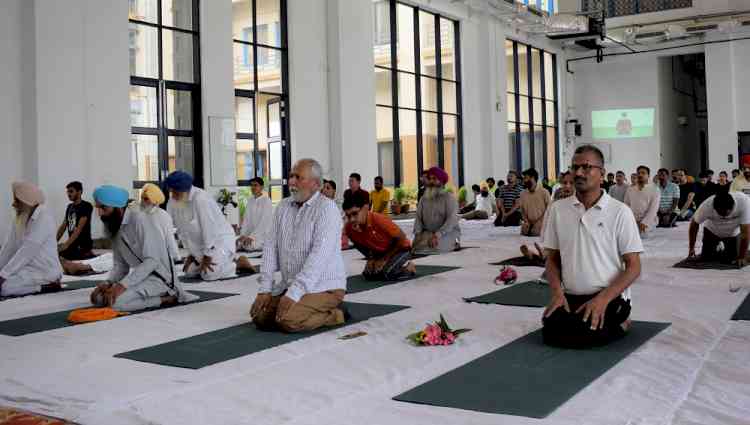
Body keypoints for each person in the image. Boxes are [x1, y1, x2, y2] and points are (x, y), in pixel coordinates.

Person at [542, 144, 642, 349]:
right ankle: (585, 320)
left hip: (609, 296)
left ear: (602, 174)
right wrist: (557, 294)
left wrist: (603, 299)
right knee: (550, 333)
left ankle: (623, 322)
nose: (579, 172)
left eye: (586, 167)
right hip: (571, 297)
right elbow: (552, 258)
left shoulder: (619, 212)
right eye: (574, 167)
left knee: (589, 337)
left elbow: (634, 266)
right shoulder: (558, 210)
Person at [250, 159, 347, 333]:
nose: (292, 182)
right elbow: (270, 247)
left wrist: (293, 294)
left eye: (298, 177)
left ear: (316, 184)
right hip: (291, 284)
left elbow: (318, 258)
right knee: (260, 316)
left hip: (324, 287)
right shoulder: (283, 207)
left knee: (287, 321)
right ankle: (304, 307)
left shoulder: (327, 209)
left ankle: (334, 314)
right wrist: (265, 288)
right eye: (291, 176)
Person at [88, 185, 196, 311]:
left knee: (117, 303)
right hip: (140, 277)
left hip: (161, 278)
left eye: (103, 208)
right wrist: (108, 283)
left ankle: (166, 298)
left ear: (118, 208)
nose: (99, 213)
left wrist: (123, 286)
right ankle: (140, 295)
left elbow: (152, 260)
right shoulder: (112, 225)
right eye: (98, 207)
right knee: (99, 299)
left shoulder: (140, 219)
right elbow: (121, 266)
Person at [165, 171, 238, 281]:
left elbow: (209, 229)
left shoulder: (201, 199)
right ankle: (220, 262)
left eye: (175, 192)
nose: (173, 195)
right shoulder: (173, 201)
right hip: (199, 247)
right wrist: (191, 254)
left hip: (219, 243)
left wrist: (208, 256)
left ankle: (236, 263)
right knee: (189, 272)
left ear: (186, 189)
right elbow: (179, 229)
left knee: (209, 274)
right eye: (171, 191)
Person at [0, 182, 63, 297]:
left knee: (4, 287)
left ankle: (44, 287)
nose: (13, 204)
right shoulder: (19, 217)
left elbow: (28, 250)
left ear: (27, 201)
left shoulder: (44, 217)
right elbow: (8, 247)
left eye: (17, 200)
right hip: (27, 269)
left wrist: (3, 275)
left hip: (45, 271)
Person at [344, 195, 416, 281]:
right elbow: (358, 244)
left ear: (365, 208)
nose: (352, 219)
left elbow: (401, 238)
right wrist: (371, 258)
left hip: (402, 249)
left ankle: (409, 268)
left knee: (387, 274)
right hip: (381, 252)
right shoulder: (349, 228)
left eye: (355, 213)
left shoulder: (378, 220)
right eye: (348, 216)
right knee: (369, 275)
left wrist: (384, 259)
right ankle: (386, 264)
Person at [688, 191, 750, 266]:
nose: (723, 217)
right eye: (720, 213)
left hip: (733, 233)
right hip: (712, 230)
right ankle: (717, 247)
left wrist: (742, 257)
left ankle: (724, 248)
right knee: (707, 258)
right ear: (714, 208)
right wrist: (691, 248)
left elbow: (745, 233)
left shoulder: (744, 202)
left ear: (733, 206)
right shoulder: (707, 205)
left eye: (725, 213)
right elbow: (694, 224)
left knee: (732, 258)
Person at [412, 166, 461, 254]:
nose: (431, 182)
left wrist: (437, 235)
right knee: (417, 249)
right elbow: (418, 218)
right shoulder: (424, 199)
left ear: (442, 182)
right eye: (430, 179)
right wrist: (417, 234)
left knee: (436, 248)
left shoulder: (449, 198)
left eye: (434, 179)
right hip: (428, 232)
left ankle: (455, 242)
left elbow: (451, 220)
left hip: (446, 233)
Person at [141, 183, 181, 261]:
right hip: (145, 257)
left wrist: (176, 256)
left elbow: (169, 237)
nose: (142, 202)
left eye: (146, 199)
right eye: (142, 198)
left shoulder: (163, 216)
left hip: (161, 257)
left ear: (154, 200)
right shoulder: (141, 215)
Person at [56, 181, 94, 261]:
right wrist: (53, 242)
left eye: (71, 191)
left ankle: (90, 256)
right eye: (67, 192)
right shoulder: (69, 207)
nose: (68, 194)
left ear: (79, 192)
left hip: (82, 247)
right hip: (72, 246)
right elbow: (63, 226)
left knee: (60, 258)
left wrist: (66, 244)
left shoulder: (86, 206)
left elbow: (78, 229)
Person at [237, 177, 273, 252]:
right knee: (237, 243)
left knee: (249, 246)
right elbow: (246, 220)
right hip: (249, 235)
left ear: (262, 187)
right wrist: (243, 235)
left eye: (255, 185)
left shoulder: (266, 201)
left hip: (262, 236)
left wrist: (252, 237)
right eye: (251, 185)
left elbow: (264, 223)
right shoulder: (250, 200)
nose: (253, 188)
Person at [624, 166, 659, 237]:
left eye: (643, 173)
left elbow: (653, 209)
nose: (640, 175)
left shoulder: (655, 189)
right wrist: (631, 220)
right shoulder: (630, 189)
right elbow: (626, 206)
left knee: (643, 236)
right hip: (633, 220)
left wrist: (644, 223)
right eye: (638, 173)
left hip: (648, 221)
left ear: (648, 176)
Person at [518, 168, 551, 237]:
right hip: (529, 222)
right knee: (524, 232)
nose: (524, 180)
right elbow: (522, 210)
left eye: (526, 178)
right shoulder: (522, 193)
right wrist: (526, 221)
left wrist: (539, 222)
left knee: (535, 233)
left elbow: (549, 209)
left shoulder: (544, 192)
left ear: (532, 178)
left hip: (542, 221)